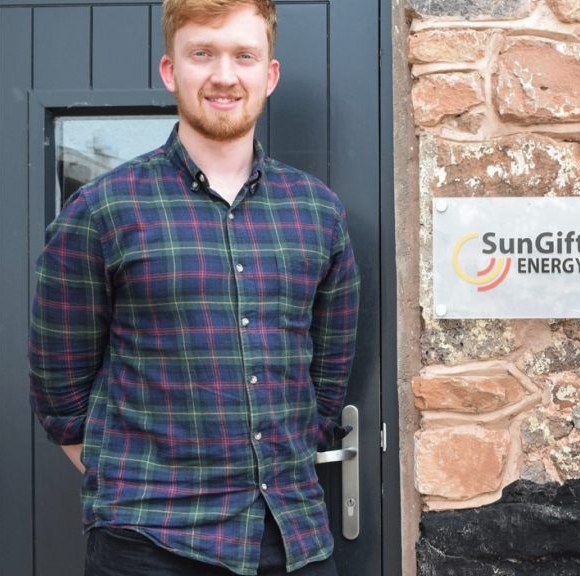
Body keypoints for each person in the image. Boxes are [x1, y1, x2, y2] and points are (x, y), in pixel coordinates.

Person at [28, 0, 359, 574]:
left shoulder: (317, 211)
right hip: (149, 541)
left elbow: (329, 368)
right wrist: (126, 468)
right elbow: (59, 377)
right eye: (202, 53)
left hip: (292, 533)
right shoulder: (104, 210)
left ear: (269, 75)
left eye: (244, 56)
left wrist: (296, 444)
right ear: (169, 70)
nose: (225, 75)